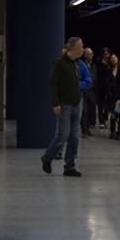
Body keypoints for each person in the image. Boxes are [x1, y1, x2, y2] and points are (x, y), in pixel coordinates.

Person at [41, 36, 85, 177]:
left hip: (76, 104)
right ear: (73, 48)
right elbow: (53, 83)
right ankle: (47, 157)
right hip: (64, 105)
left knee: (75, 137)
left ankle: (70, 166)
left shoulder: (76, 64)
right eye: (81, 46)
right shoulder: (59, 63)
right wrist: (55, 103)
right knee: (63, 135)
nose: (83, 49)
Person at [77, 47, 96, 137]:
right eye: (89, 54)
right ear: (84, 54)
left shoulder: (93, 66)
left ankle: (87, 127)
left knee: (92, 110)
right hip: (83, 91)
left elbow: (94, 78)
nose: (91, 55)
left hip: (91, 91)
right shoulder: (81, 64)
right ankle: (84, 130)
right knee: (84, 111)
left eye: (91, 54)